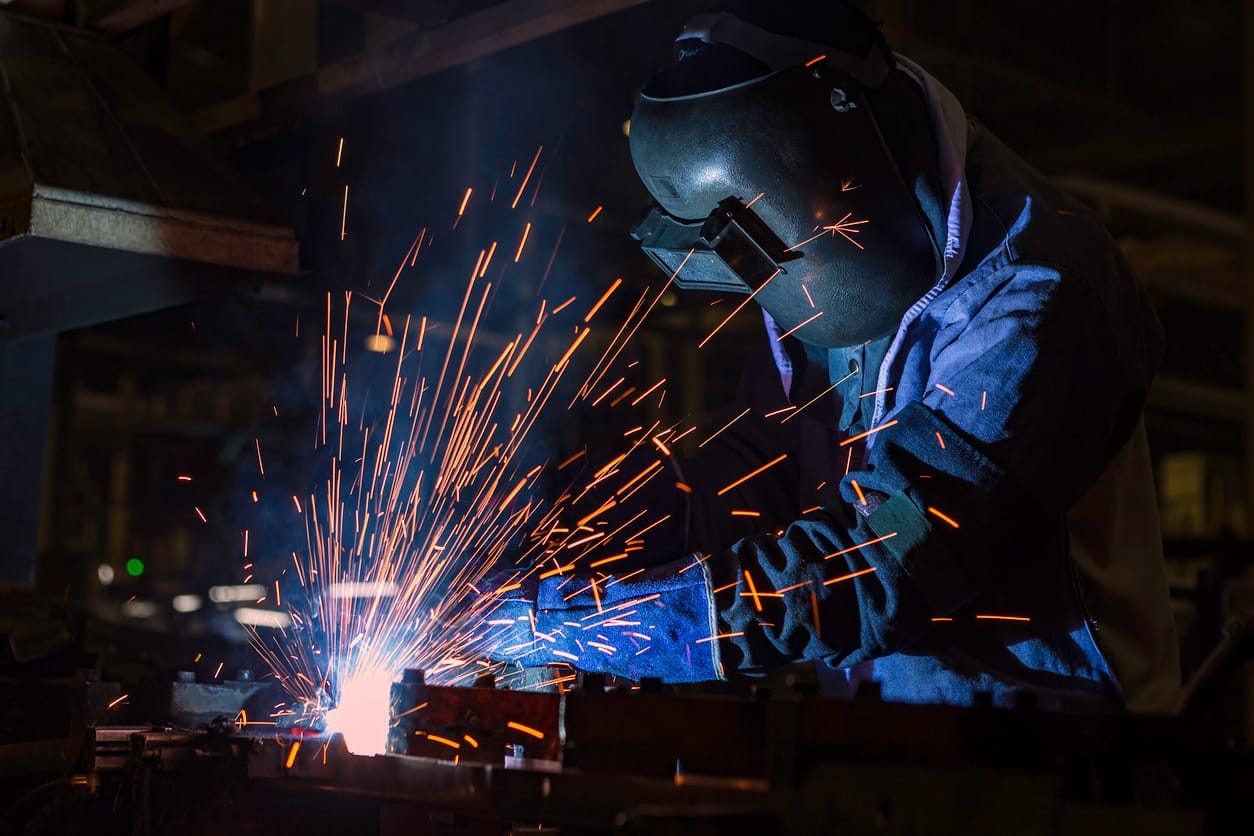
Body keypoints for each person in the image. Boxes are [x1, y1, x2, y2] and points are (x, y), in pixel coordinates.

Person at [487, 1, 1180, 712]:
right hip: (884, 743)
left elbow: (890, 560)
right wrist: (593, 523)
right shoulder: (823, 231)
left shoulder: (1035, 291)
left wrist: (594, 628)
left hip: (1064, 757)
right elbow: (778, 452)